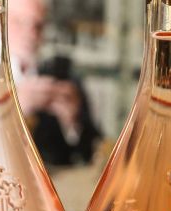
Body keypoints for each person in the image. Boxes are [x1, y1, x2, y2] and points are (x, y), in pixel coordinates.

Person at [7, 0, 101, 167]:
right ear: (1, 23)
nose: (30, 33)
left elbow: (93, 152)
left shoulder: (65, 79)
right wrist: (14, 108)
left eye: (38, 25)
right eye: (19, 22)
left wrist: (72, 124)